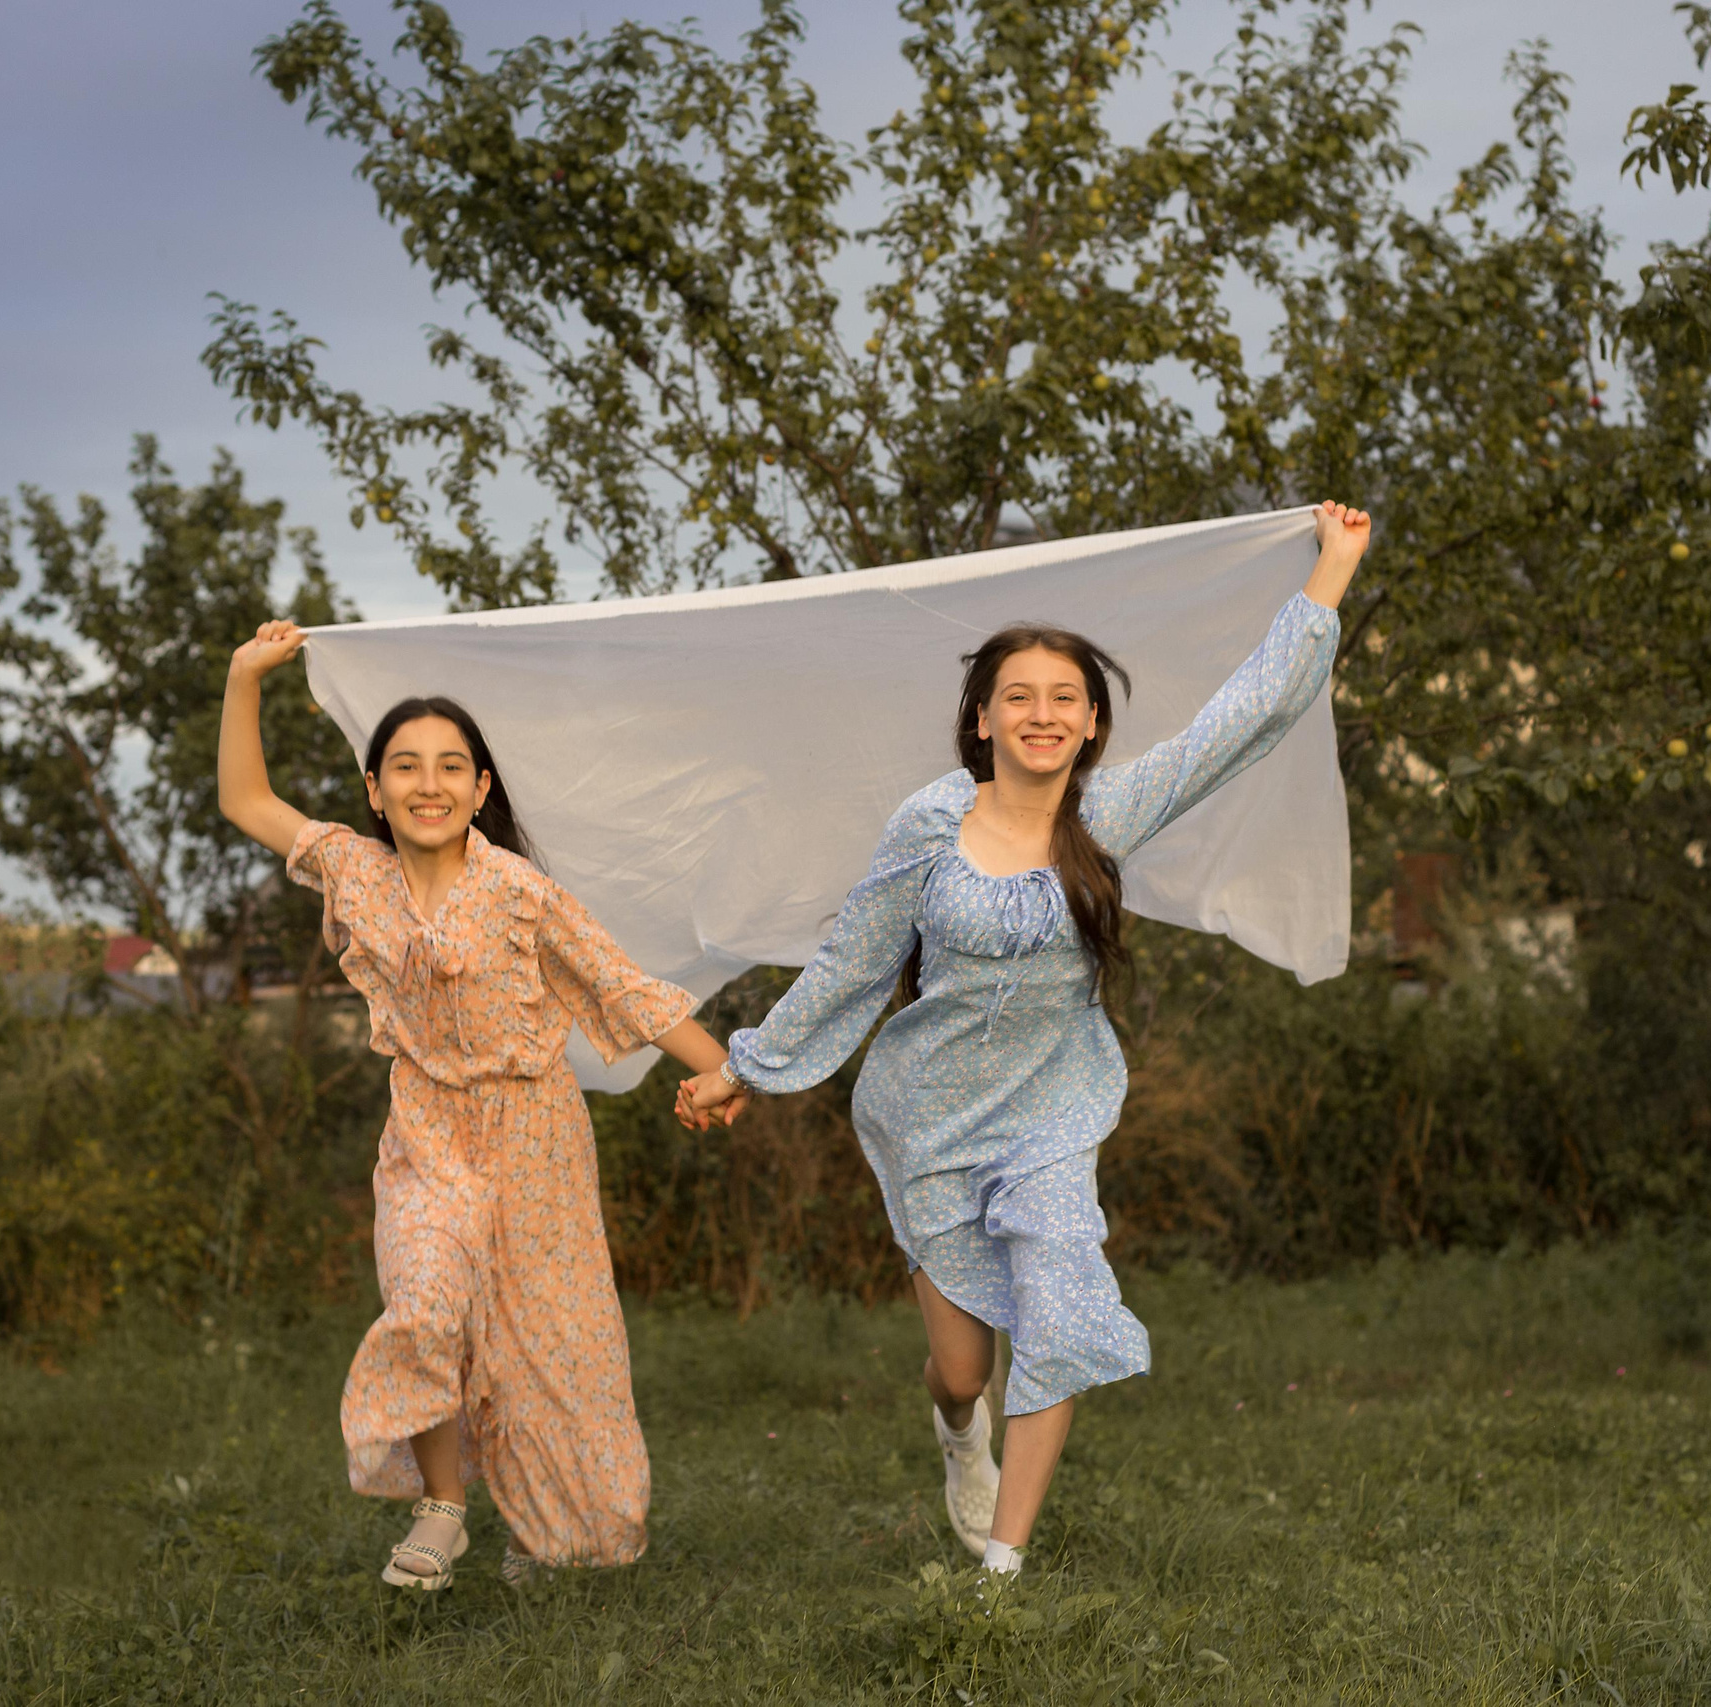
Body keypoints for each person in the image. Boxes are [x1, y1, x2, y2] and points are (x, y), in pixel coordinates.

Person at [679, 501, 1371, 1577]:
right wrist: (744, 1067)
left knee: (1059, 1308)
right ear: (983, 719)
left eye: (1064, 699)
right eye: (1019, 697)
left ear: (1091, 723)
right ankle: (961, 1431)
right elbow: (854, 960)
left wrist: (1331, 571)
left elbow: (1245, 717)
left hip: (1052, 1109)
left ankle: (1001, 1574)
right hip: (930, 1118)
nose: (1041, 714)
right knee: (963, 1371)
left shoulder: (1112, 813)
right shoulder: (928, 824)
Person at [217, 620, 750, 1592]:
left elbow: (620, 984)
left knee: (554, 1352)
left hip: (536, 1141)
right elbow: (246, 800)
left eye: (451, 767)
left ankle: (557, 1535)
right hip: (426, 1135)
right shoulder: (355, 872)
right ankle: (443, 1507)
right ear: (374, 790)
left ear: (479, 788)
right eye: (406, 767)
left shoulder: (519, 892)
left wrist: (721, 1068)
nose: (429, 784)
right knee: (425, 1303)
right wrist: (245, 675)